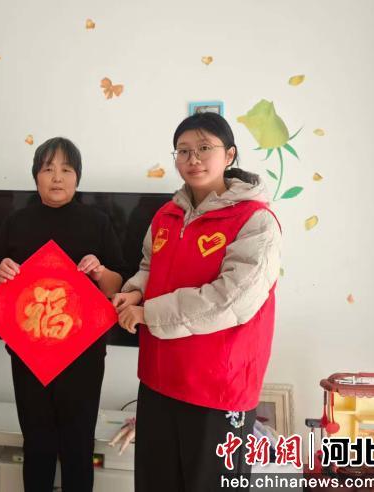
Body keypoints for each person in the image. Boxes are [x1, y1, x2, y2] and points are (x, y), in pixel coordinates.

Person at [113, 112, 282, 491]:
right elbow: (149, 266)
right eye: (184, 150)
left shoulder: (256, 221)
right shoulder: (166, 215)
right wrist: (135, 290)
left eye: (205, 148)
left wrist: (147, 312)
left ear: (230, 154)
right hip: (158, 379)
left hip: (217, 388)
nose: (193, 159)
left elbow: (230, 300)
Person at [0, 137, 125, 492]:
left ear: (78, 176)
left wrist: (99, 271)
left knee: (78, 444)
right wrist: (1, 273)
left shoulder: (97, 222)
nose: (57, 176)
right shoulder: (16, 222)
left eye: (66, 169)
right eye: (48, 168)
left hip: (84, 355)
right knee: (36, 443)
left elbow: (117, 286)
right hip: (29, 353)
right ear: (35, 175)